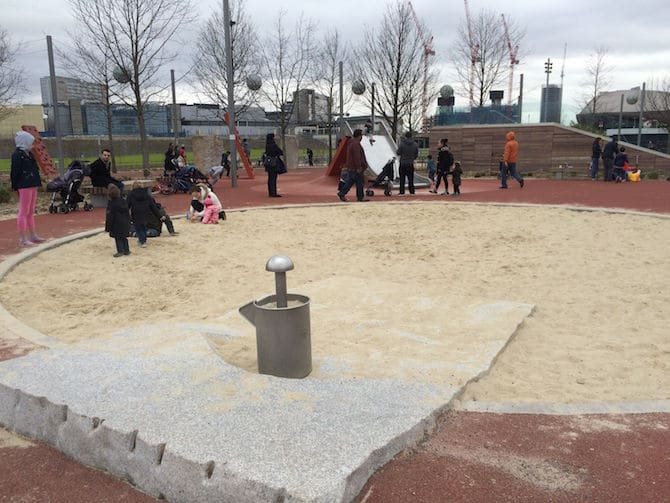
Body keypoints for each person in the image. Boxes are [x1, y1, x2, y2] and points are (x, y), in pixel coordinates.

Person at [11, 130, 45, 247]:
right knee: (23, 211)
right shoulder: (17, 155)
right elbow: (14, 172)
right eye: (30, 142)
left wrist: (38, 181)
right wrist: (15, 186)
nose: (32, 145)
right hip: (23, 185)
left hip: (32, 183)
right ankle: (22, 238)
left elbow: (35, 168)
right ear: (24, 142)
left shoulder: (29, 154)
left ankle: (33, 235)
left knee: (30, 211)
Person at [337, 129, 369, 202]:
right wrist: (359, 167)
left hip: (351, 167)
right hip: (356, 168)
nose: (362, 137)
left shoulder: (351, 143)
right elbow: (357, 156)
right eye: (361, 136)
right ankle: (360, 197)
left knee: (350, 182)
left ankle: (342, 193)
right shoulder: (356, 144)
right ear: (359, 136)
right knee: (360, 182)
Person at [127, 182, 162, 248]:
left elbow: (127, 205)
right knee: (144, 227)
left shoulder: (131, 194)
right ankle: (143, 240)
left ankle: (142, 241)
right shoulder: (146, 194)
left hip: (136, 213)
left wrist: (126, 215)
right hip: (145, 213)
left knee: (138, 228)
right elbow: (153, 206)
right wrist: (159, 216)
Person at [104, 184, 131, 257]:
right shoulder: (123, 201)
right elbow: (127, 213)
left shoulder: (111, 204)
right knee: (124, 237)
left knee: (118, 238)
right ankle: (127, 250)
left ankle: (120, 251)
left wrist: (107, 228)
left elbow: (110, 217)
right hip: (125, 222)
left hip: (116, 224)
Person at [396, 131, 419, 195]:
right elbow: (416, 154)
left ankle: (402, 192)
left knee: (402, 179)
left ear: (405, 136)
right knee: (411, 179)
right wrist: (412, 158)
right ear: (411, 136)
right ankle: (412, 191)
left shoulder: (402, 144)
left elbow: (398, 153)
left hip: (403, 163)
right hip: (410, 163)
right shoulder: (415, 144)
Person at [264, 133, 284, 197]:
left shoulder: (267, 145)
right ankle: (273, 193)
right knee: (273, 178)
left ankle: (270, 192)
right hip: (274, 163)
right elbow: (280, 152)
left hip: (268, 163)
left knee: (270, 178)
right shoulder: (273, 145)